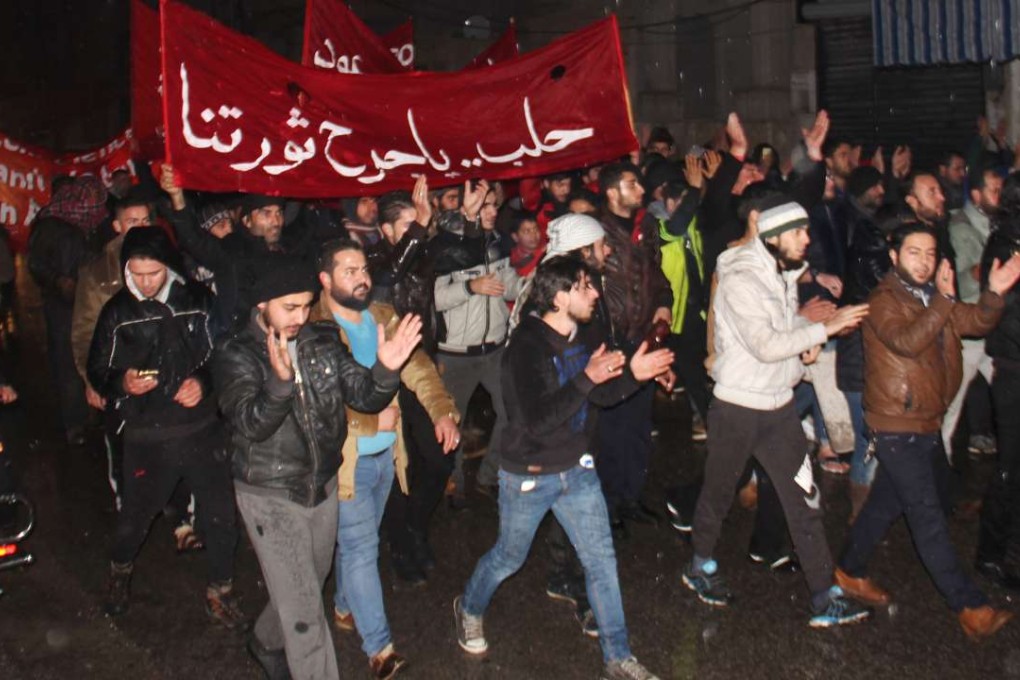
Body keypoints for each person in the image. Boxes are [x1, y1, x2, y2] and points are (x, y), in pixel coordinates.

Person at [454, 256, 673, 680]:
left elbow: (602, 397)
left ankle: (618, 656)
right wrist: (588, 378)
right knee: (508, 558)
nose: (595, 293)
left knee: (602, 562)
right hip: (529, 475)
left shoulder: (582, 335)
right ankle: (467, 607)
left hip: (577, 470)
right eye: (584, 286)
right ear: (559, 298)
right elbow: (537, 420)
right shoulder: (524, 349)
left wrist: (636, 376)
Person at [215, 255, 420, 680]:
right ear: (261, 305)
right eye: (289, 307)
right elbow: (251, 424)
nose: (301, 317)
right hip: (269, 493)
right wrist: (278, 384)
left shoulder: (322, 339)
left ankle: (267, 640)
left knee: (310, 580)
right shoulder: (237, 353)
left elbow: (363, 396)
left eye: (307, 305)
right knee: (308, 611)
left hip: (323, 484)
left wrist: (386, 368)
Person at [682, 200, 873, 628]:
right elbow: (765, 345)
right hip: (737, 407)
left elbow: (784, 332)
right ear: (773, 238)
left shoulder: (781, 271)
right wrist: (825, 328)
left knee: (804, 498)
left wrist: (806, 345)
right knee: (718, 493)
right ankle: (699, 564)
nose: (808, 239)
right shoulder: (740, 279)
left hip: (779, 409)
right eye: (799, 232)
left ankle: (824, 596)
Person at [835, 223, 1020, 641]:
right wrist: (944, 299)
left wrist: (993, 293)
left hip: (925, 420)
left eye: (930, 253)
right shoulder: (885, 299)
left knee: (888, 502)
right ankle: (969, 606)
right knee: (928, 517)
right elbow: (908, 341)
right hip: (897, 424)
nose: (924, 261)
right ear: (895, 256)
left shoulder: (930, 296)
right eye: (914, 252)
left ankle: (849, 568)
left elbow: (972, 322)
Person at [86, 228, 246, 629]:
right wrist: (122, 382)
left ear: (169, 267)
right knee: (135, 518)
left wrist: (203, 382)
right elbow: (97, 370)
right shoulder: (117, 312)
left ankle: (220, 591)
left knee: (221, 514)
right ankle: (119, 572)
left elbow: (225, 351)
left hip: (201, 428)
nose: (145, 282)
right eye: (136, 274)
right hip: (147, 434)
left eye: (153, 273)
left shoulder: (198, 301)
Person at [312, 238, 458, 677]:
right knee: (361, 548)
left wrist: (442, 411)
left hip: (384, 460)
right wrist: (372, 425)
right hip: (347, 463)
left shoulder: (380, 316)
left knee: (359, 542)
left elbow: (419, 369)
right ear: (325, 279)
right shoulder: (316, 331)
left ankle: (342, 606)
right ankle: (380, 648)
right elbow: (322, 406)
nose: (361, 278)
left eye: (363, 270)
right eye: (349, 271)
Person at [433, 180, 523, 500]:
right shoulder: (447, 247)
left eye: (494, 205)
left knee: (512, 411)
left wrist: (530, 285)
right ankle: (453, 481)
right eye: (484, 206)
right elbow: (436, 298)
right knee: (450, 422)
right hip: (456, 353)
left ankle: (491, 474)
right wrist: (471, 287)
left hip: (496, 347)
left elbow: (508, 285)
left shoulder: (497, 242)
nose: (492, 211)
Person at [28, 175, 107, 447]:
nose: (98, 206)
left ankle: (85, 417)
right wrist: (59, 281)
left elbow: (36, 265)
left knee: (75, 360)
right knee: (72, 362)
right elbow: (41, 265)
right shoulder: (63, 227)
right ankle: (77, 424)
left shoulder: (48, 220)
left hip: (70, 303)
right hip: (68, 307)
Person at [945, 165, 1003, 458]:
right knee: (950, 403)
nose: (1001, 195)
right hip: (968, 327)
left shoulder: (995, 222)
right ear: (977, 193)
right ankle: (937, 463)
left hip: (988, 325)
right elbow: (965, 276)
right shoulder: (961, 226)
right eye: (995, 190)